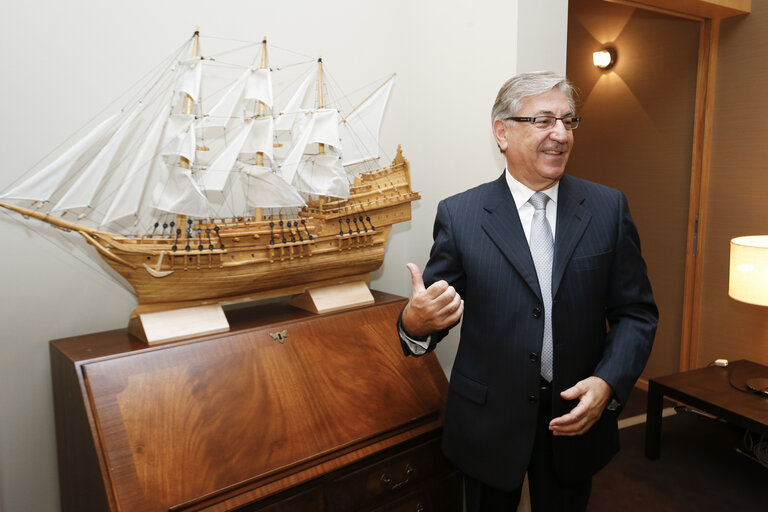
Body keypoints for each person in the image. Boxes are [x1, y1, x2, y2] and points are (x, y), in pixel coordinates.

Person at [397, 71, 658, 511]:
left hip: (575, 416)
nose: (560, 133)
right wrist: (414, 324)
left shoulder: (607, 208)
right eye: (544, 121)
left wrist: (608, 383)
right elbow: (433, 315)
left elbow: (636, 313)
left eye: (568, 121)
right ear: (503, 132)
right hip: (488, 422)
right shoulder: (461, 216)